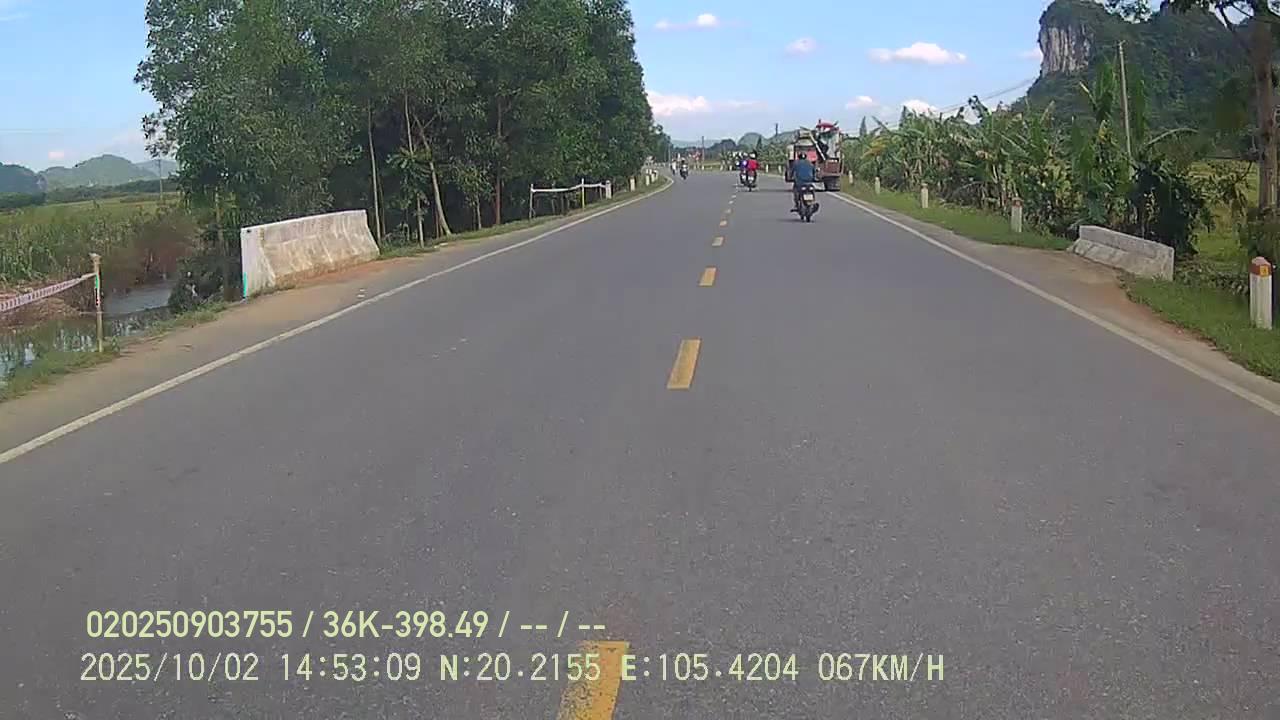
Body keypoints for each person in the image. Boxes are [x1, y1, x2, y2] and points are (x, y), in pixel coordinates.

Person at [790, 150, 819, 215]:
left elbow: (792, 172)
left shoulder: (796, 163)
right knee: (812, 190)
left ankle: (796, 204)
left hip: (799, 183)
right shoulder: (810, 163)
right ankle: (813, 202)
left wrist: (791, 177)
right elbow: (814, 172)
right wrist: (814, 178)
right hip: (809, 183)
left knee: (796, 192)